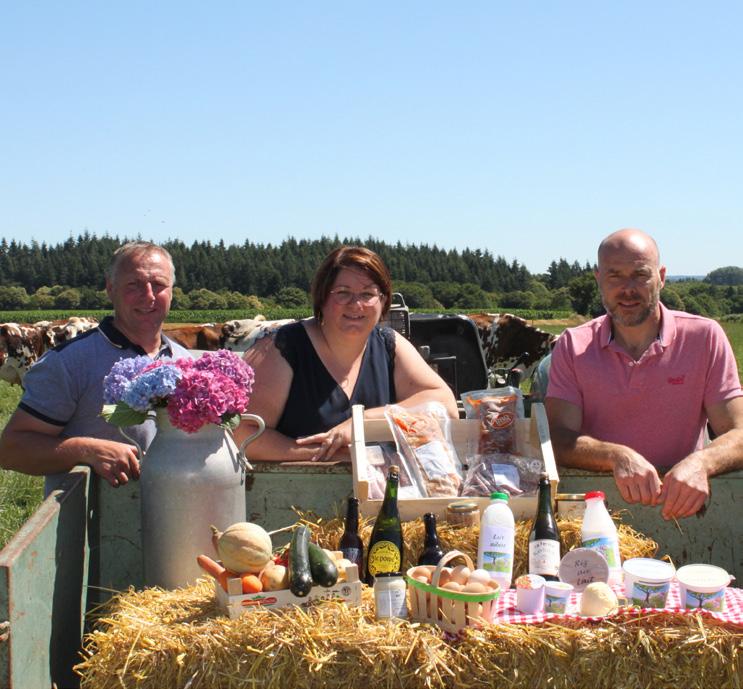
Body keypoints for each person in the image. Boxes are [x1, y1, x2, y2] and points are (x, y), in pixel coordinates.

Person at [545, 229, 743, 520]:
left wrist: (702, 463)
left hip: (680, 508)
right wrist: (616, 456)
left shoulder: (704, 337)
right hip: (597, 511)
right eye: (615, 276)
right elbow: (559, 439)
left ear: (661, 276)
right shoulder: (573, 345)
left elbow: (738, 433)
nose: (628, 289)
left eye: (640, 274)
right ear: (598, 279)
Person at [235, 246, 458, 461]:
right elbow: (243, 433)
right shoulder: (281, 348)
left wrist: (363, 423)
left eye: (368, 294)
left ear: (383, 300)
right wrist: (326, 455)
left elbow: (445, 407)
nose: (356, 304)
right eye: (343, 293)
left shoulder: (390, 345)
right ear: (321, 298)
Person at [0, 241, 191, 491]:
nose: (149, 295)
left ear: (172, 291)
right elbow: (10, 451)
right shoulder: (68, 362)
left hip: (177, 513)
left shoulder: (187, 361)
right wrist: (86, 450)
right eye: (133, 285)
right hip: (94, 523)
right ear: (110, 289)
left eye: (159, 285)